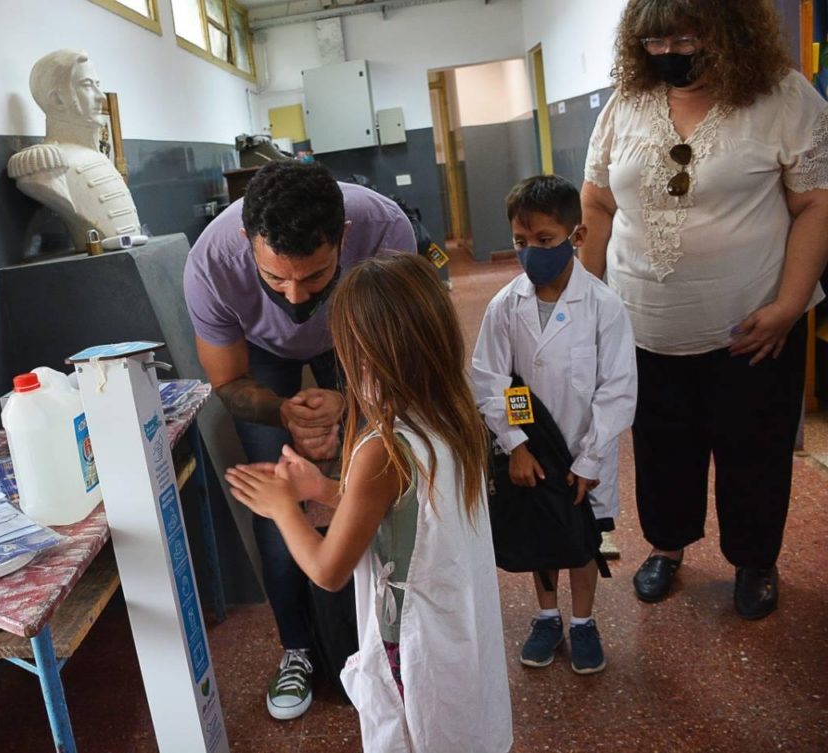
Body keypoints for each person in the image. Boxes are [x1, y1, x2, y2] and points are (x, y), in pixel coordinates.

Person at [580, 0, 828, 619]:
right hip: (642, 328)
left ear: (728, 31)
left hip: (754, 330)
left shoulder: (782, 97)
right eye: (656, 43)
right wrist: (585, 301)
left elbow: (815, 205)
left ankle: (754, 560)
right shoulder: (626, 103)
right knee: (660, 449)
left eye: (686, 39)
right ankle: (666, 547)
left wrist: (789, 305)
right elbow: (597, 203)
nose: (669, 54)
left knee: (754, 453)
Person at [225, 253, 512, 752]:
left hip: (411, 641)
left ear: (367, 358)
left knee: (416, 733)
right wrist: (322, 489)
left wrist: (282, 508)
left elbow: (328, 570)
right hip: (456, 628)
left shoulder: (382, 448)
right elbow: (401, 509)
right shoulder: (451, 415)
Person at [184, 161, 416, 719]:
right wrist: (284, 412)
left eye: (314, 277)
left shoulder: (385, 229)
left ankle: (389, 639)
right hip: (262, 357)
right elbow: (228, 382)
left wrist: (351, 403)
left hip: (359, 338)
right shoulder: (211, 264)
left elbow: (406, 359)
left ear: (344, 238)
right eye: (274, 278)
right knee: (277, 502)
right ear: (248, 240)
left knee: (373, 482)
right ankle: (297, 649)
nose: (293, 298)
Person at [473, 175, 637, 674]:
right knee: (541, 531)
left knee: (582, 537)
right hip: (532, 450)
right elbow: (495, 380)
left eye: (544, 240)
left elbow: (617, 389)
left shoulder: (603, 306)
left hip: (586, 450)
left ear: (576, 236)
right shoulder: (505, 307)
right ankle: (547, 616)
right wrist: (516, 444)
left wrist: (590, 458)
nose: (531, 252)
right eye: (520, 241)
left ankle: (583, 622)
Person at [7, 49, 141, 250]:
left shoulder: (98, 157)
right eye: (87, 85)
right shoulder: (47, 165)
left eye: (97, 86)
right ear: (57, 100)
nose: (100, 97)